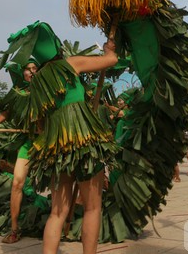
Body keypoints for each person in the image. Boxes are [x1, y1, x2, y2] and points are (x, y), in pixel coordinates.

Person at [22, 34, 119, 254]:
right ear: (57, 47)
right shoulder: (71, 63)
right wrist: (109, 49)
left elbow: (39, 126)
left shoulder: (37, 83)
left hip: (58, 151)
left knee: (57, 213)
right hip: (86, 146)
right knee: (92, 208)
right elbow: (111, 61)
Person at [0, 61, 38, 244]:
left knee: (59, 183)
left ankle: (64, 222)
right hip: (28, 143)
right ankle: (15, 229)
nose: (31, 72)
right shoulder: (17, 92)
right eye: (28, 69)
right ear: (22, 72)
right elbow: (6, 113)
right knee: (17, 183)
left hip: (50, 141)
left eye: (35, 69)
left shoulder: (48, 90)